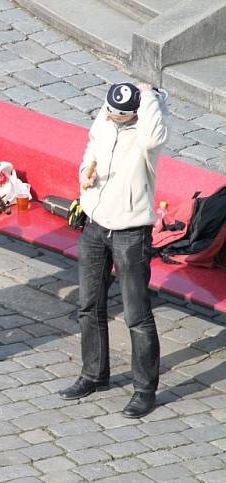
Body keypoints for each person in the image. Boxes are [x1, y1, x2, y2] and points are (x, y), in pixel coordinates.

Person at [59, 82, 169, 418]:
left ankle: (144, 390)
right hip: (94, 224)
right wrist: (84, 175)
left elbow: (154, 139)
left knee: (137, 314)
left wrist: (149, 96)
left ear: (134, 113)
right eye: (110, 111)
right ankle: (94, 374)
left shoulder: (146, 130)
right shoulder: (105, 120)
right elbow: (90, 150)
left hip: (130, 231)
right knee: (88, 305)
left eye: (121, 115)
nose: (113, 118)